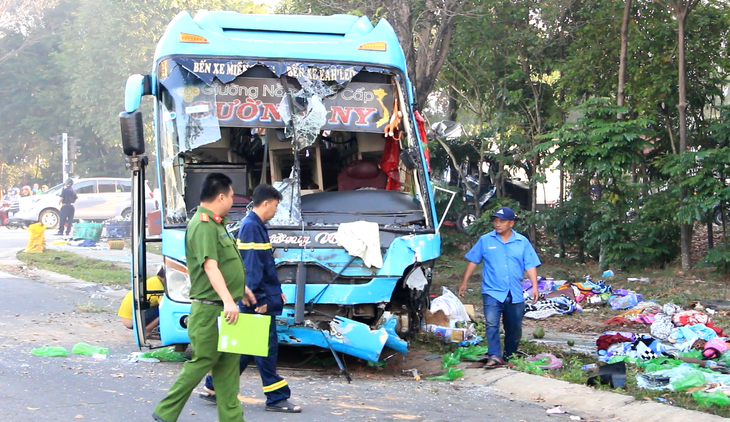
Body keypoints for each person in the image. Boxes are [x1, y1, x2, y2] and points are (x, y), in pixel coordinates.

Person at [152, 173, 256, 422]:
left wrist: (240, 290)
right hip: (210, 310)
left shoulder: (217, 223)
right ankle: (165, 412)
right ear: (221, 196)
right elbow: (210, 266)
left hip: (226, 308)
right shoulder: (202, 224)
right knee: (203, 361)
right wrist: (230, 301)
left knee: (229, 368)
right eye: (231, 196)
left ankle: (233, 419)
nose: (232, 201)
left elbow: (227, 265)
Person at [200, 184, 301, 413]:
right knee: (265, 349)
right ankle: (276, 397)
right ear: (265, 203)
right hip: (257, 300)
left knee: (244, 348)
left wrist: (276, 290)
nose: (275, 211)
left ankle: (215, 386)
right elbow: (252, 265)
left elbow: (263, 265)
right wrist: (259, 297)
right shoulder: (252, 226)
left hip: (260, 295)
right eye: (275, 206)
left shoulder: (255, 225)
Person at [458, 206, 541, 369]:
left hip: (515, 292)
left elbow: (530, 265)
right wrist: (464, 282)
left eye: (502, 221)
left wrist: (535, 287)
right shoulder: (485, 240)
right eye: (495, 221)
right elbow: (473, 260)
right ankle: (494, 356)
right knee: (491, 323)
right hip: (492, 290)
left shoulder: (522, 242)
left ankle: (510, 355)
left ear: (511, 223)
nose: (497, 224)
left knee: (514, 326)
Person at [118, 266, 166, 336]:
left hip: (128, 318)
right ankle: (147, 331)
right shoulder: (159, 287)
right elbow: (166, 307)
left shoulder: (154, 280)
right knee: (164, 310)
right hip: (132, 321)